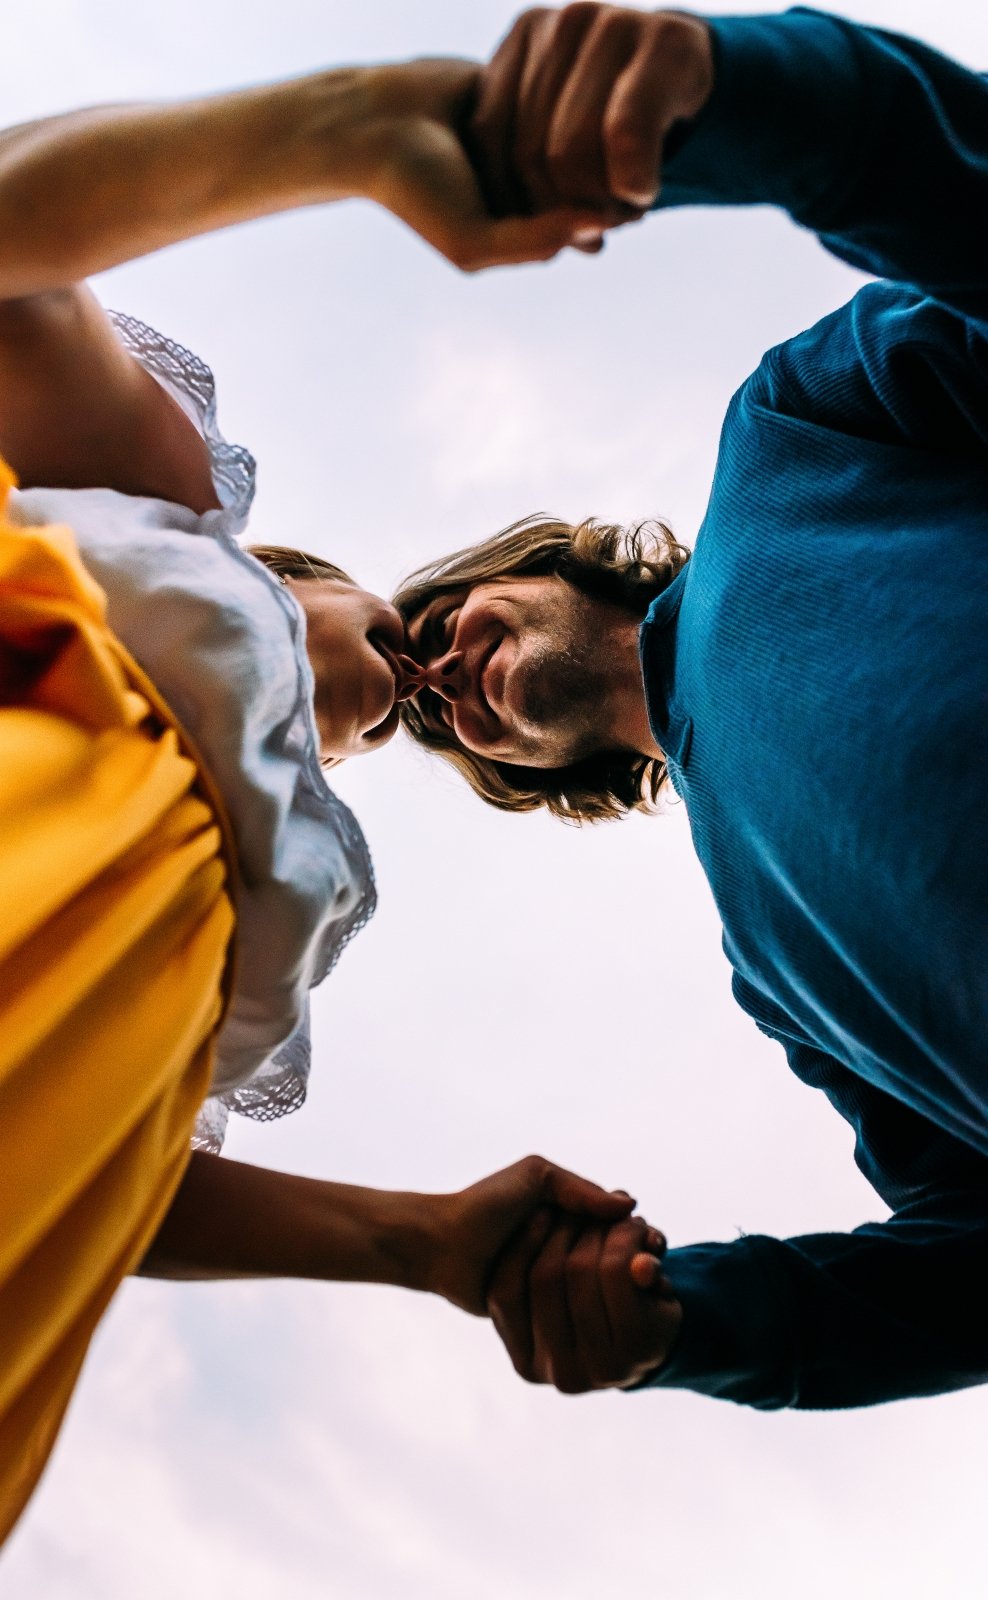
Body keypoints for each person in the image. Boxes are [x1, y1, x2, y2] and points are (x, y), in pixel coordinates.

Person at [0, 59, 663, 1599]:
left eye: (412, 727)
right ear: (304, 570)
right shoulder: (170, 531)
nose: (424, 683)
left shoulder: (262, 942)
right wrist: (342, 138)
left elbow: (126, 1179)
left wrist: (425, 1242)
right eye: (410, 623)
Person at [396, 5, 988, 1408]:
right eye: (429, 714)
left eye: (429, 630)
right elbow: (965, 1265)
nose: (434, 678)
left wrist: (741, 95)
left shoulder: (786, 434)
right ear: (527, 778)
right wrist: (687, 1325)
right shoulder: (778, 983)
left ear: (534, 566)